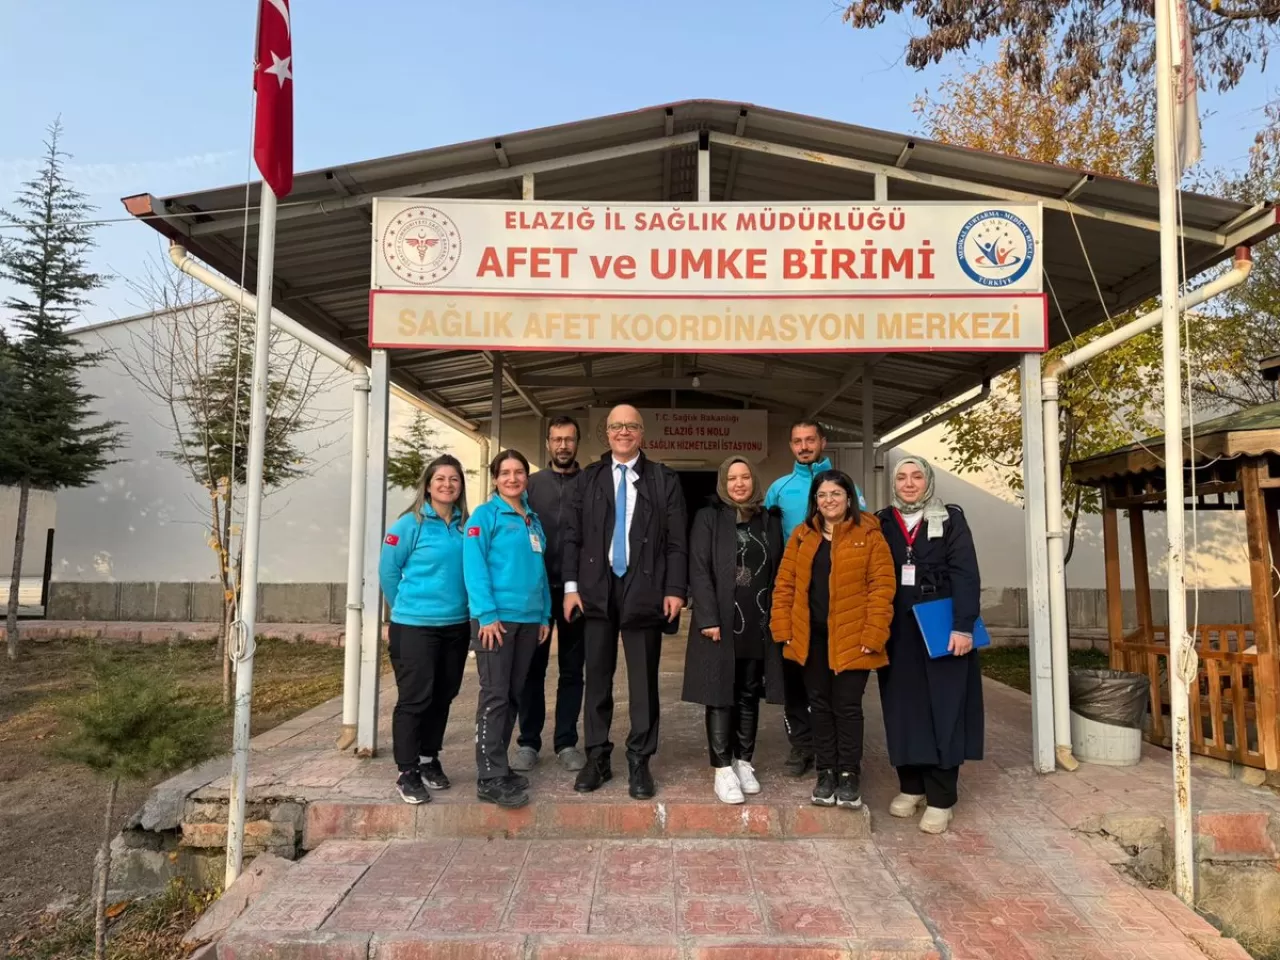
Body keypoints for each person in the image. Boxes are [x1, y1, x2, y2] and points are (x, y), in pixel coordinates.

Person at [563, 404, 688, 800]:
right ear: (607, 432)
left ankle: (639, 761)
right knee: (596, 679)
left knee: (643, 683)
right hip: (596, 591)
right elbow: (572, 536)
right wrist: (570, 588)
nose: (623, 432)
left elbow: (676, 542)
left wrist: (675, 589)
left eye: (630, 426)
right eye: (616, 426)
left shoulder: (664, 480)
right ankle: (597, 757)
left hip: (645, 590)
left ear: (641, 433)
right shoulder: (589, 478)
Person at [770, 469, 895, 810]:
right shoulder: (801, 536)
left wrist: (874, 633)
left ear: (849, 498)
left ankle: (849, 775)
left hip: (854, 638)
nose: (829, 501)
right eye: (823, 495)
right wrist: (783, 631)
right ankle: (825, 772)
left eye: (836, 494)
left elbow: (882, 589)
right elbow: (785, 586)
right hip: (811, 639)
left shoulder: (869, 534)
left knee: (848, 707)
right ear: (815, 501)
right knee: (820, 707)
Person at [876, 455, 983, 835]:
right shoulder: (881, 521)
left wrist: (963, 626)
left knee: (944, 707)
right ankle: (911, 786)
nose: (908, 483)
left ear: (928, 480)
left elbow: (966, 573)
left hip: (941, 627)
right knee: (903, 708)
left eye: (916, 476)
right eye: (901, 477)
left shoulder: (950, 519)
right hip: (896, 631)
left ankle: (941, 798)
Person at [764, 419, 867, 778]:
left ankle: (841, 758)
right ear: (790, 446)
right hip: (796, 595)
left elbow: (862, 534)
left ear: (823, 442)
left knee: (837, 689)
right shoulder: (779, 488)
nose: (804, 446)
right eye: (797, 441)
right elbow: (769, 542)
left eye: (810, 440)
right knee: (796, 678)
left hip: (839, 599)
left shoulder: (844, 486)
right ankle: (802, 745)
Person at [682, 456, 786, 804]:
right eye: (731, 478)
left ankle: (744, 761)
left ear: (754, 480)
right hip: (721, 623)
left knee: (748, 693)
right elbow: (698, 569)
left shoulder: (769, 520)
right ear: (722, 484)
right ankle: (722, 768)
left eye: (744, 477)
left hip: (758, 622)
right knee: (719, 692)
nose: (739, 484)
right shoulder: (709, 517)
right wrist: (707, 617)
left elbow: (778, 570)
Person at [377, 454, 471, 805]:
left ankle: (430, 758)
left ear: (461, 486)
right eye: (440, 479)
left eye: (454, 479)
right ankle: (407, 769)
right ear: (428, 485)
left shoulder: (466, 526)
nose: (447, 485)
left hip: (456, 625)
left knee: (443, 695)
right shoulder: (408, 525)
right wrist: (405, 607)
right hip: (414, 627)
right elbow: (388, 572)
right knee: (415, 698)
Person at [462, 449, 552, 809]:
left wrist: (544, 615)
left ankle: (499, 767)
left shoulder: (532, 518)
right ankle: (488, 776)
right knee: (495, 696)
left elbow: (540, 571)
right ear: (495, 478)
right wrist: (485, 614)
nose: (513, 478)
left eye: (519, 472)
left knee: (514, 695)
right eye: (506, 473)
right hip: (496, 622)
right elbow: (473, 565)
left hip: (529, 622)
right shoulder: (485, 516)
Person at [512, 416, 588, 774]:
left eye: (569, 440)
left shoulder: (591, 484)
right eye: (557, 439)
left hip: (577, 593)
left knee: (572, 671)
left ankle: (567, 741)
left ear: (577, 443)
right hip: (535, 593)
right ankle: (528, 741)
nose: (563, 446)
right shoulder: (530, 486)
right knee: (532, 670)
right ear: (547, 443)